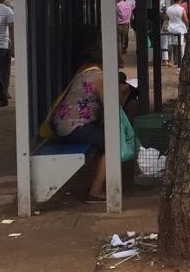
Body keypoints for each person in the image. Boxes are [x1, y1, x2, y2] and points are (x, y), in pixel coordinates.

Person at [48, 33, 131, 203]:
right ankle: (95, 190)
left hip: (64, 124)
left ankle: (97, 181)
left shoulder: (87, 70)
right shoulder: (99, 77)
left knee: (102, 140)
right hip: (74, 126)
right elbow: (111, 107)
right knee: (113, 142)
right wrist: (123, 93)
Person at [162, 0, 188, 65]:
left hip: (171, 28)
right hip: (180, 29)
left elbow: (166, 18)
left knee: (171, 44)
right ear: (180, 0)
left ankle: (171, 60)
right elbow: (185, 19)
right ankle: (180, 61)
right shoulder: (182, 9)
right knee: (180, 45)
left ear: (173, 0)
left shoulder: (169, 9)